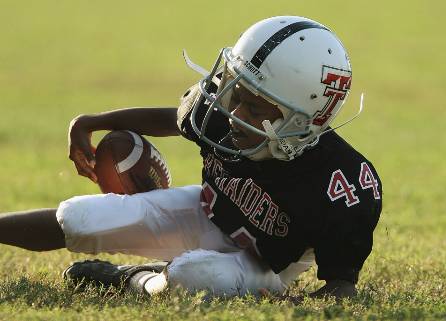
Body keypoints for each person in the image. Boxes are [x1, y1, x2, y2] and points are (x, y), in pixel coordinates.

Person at [0, 16, 382, 300]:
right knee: (80, 218)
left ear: (304, 121)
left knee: (191, 276)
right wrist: (93, 122)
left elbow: (341, 287)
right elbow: (173, 118)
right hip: (209, 212)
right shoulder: (229, 110)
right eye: (237, 94)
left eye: (255, 107)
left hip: (268, 264)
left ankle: (131, 277)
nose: (235, 113)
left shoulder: (339, 182)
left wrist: (295, 302)